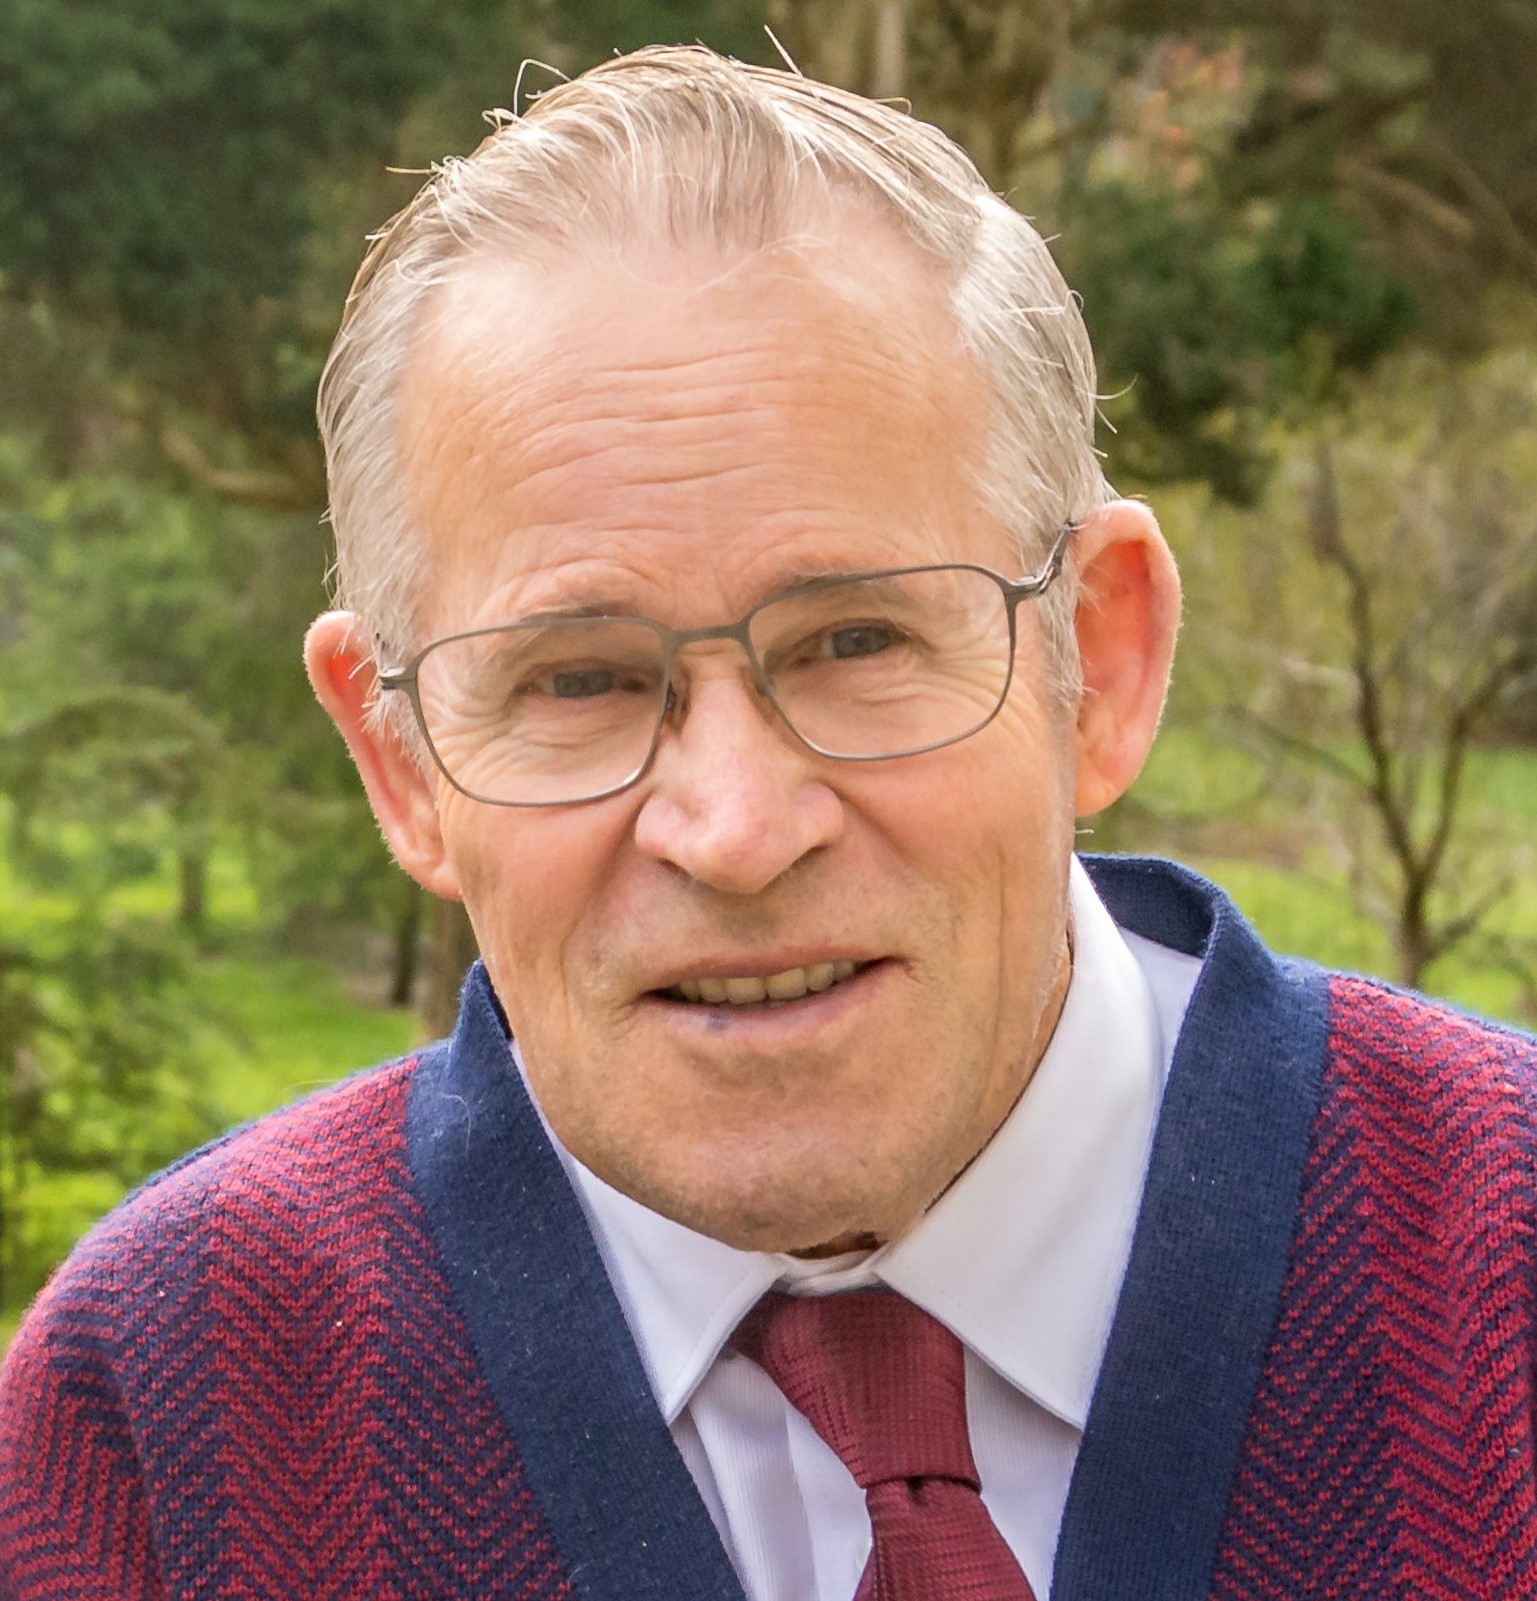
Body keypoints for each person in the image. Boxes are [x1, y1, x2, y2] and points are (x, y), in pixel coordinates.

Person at [3, 44, 1536, 1601]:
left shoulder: (1507, 1261)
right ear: (399, 759)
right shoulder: (158, 1423)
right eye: (579, 678)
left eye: (856, 641)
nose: (734, 830)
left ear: (1099, 659)